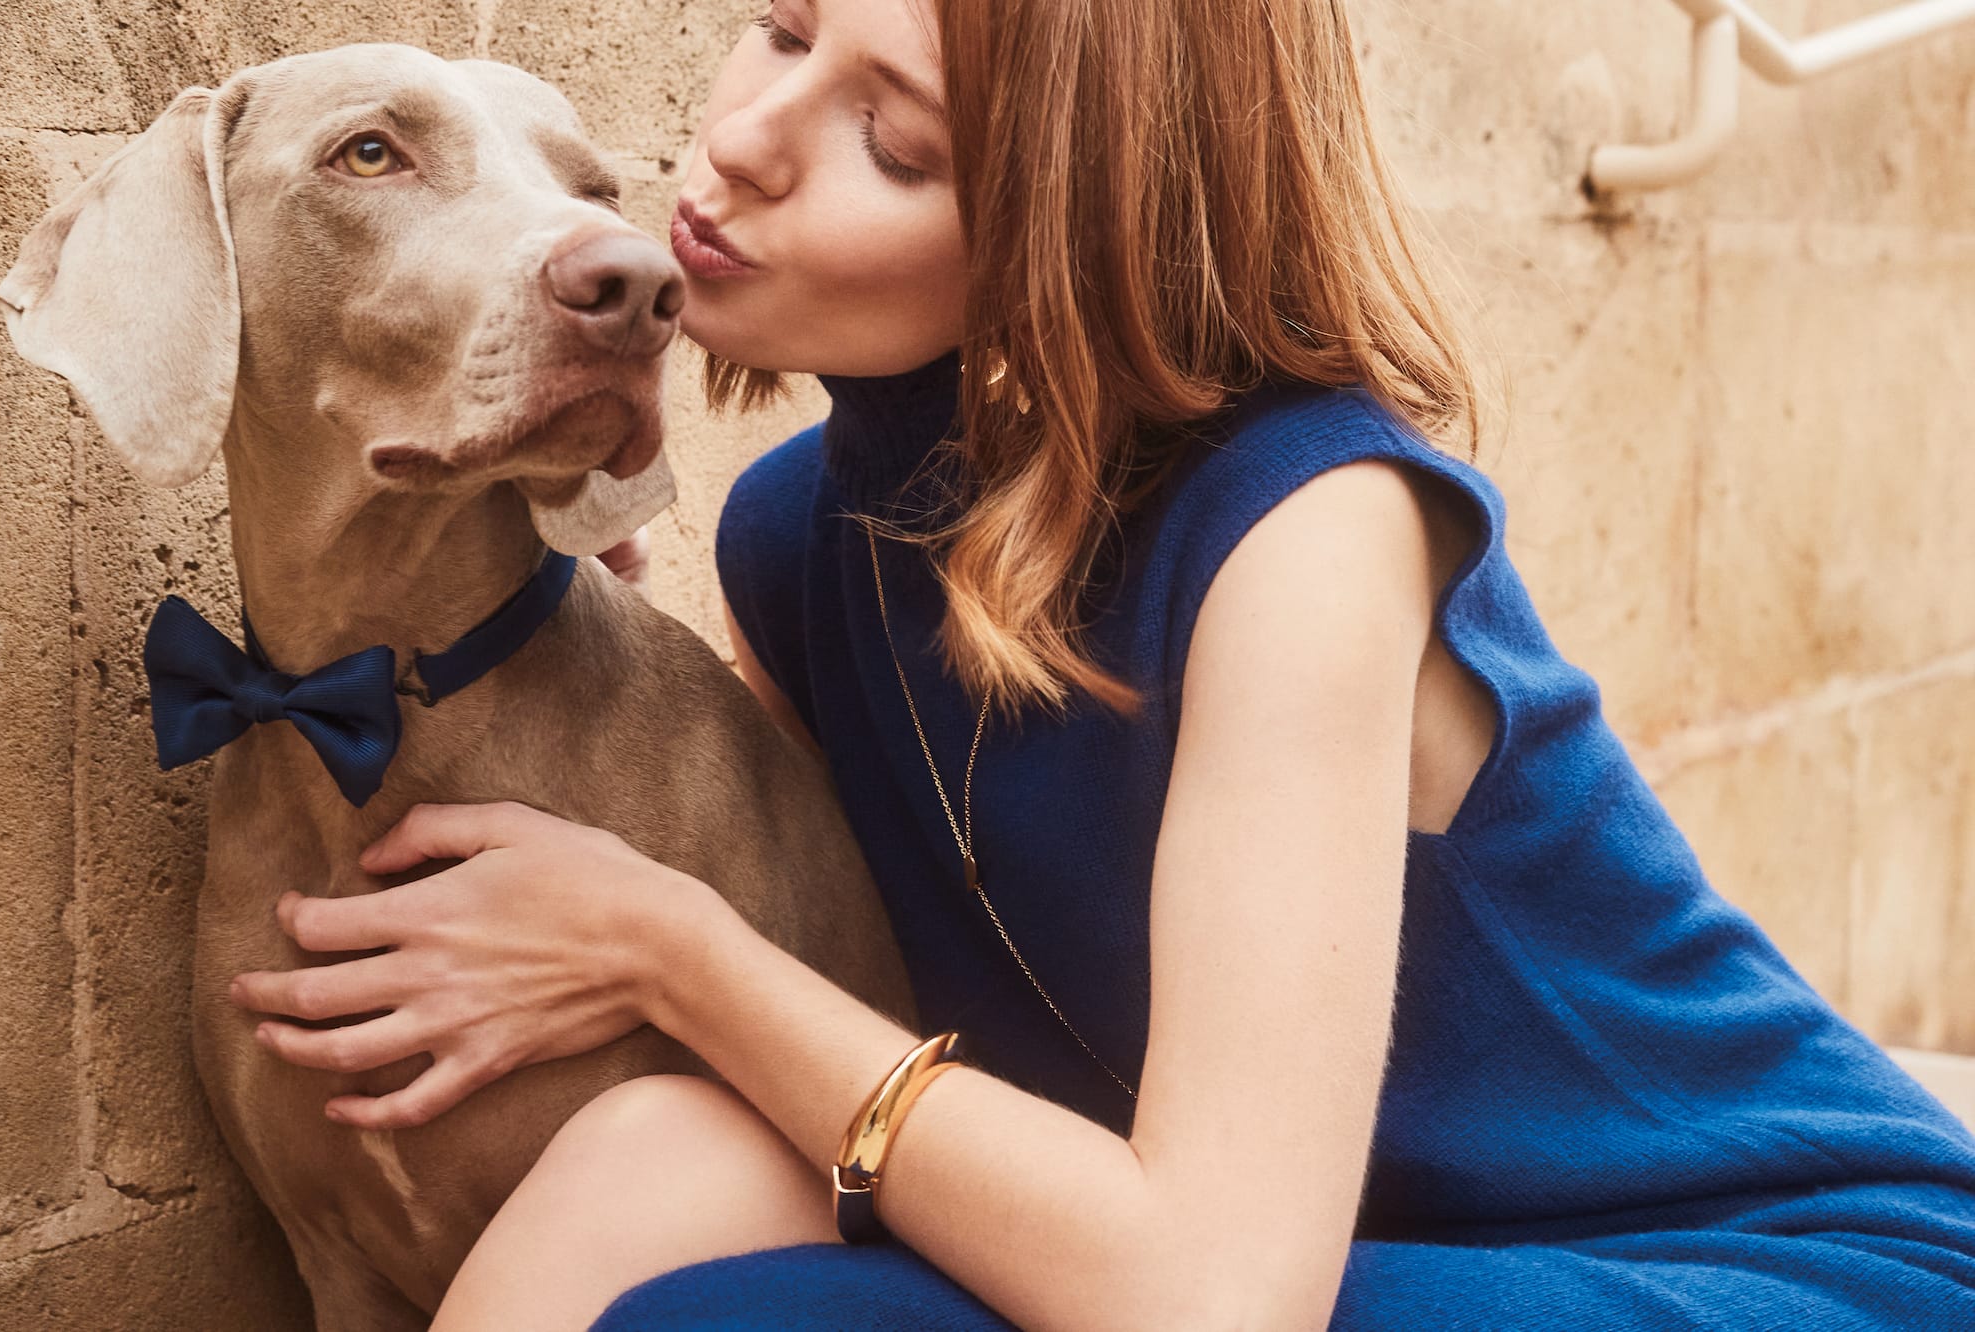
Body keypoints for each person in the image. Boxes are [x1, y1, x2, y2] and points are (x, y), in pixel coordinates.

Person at [226, 1, 1975, 1328]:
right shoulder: (790, 541)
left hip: (1754, 1271)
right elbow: (870, 992)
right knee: (659, 1166)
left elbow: (1208, 1295)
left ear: (1069, 228)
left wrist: (664, 946)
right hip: (1325, 1259)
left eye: (891, 144)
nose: (748, 137)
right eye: (779, 25)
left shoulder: (1304, 528)